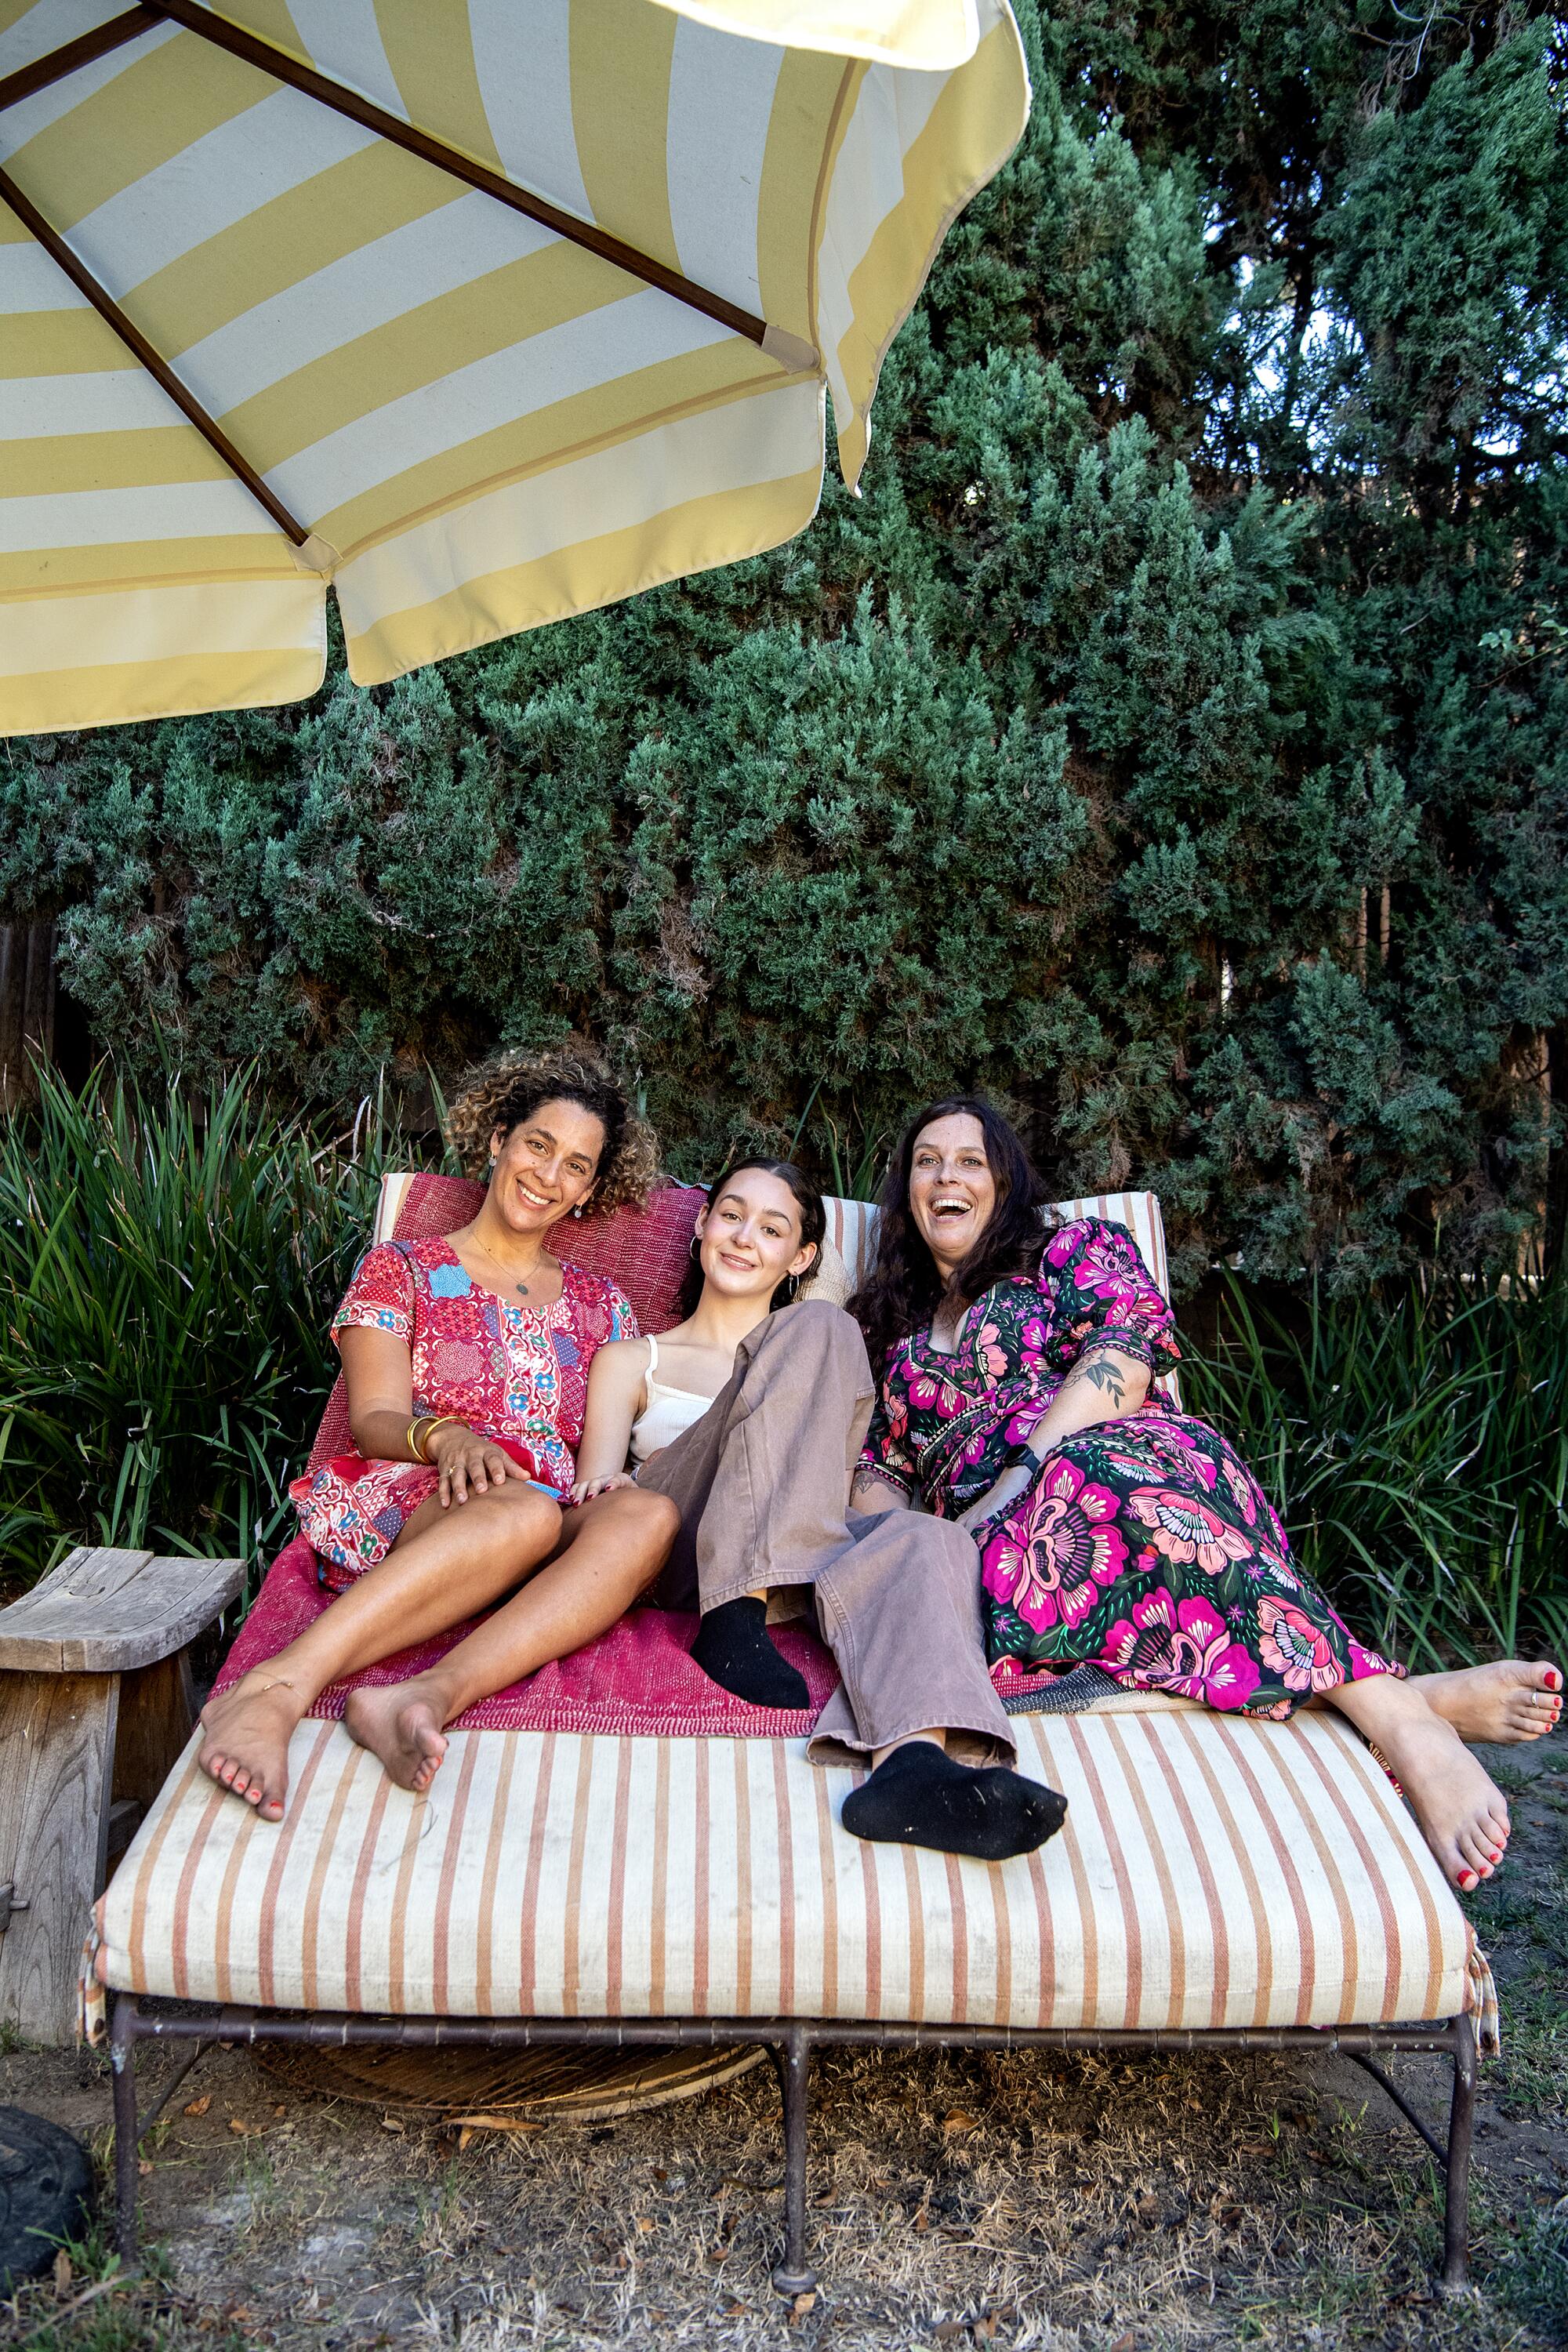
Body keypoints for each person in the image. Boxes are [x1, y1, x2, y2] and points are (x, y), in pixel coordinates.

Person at [846, 1095, 1564, 1893]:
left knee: (1092, 1478)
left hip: (1126, 1463)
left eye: (969, 1159)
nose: (946, 1176)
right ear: (905, 1190)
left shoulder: (1067, 1251)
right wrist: (893, 1553)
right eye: (926, 1161)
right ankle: (1401, 1692)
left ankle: (1402, 1729)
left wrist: (1020, 1476)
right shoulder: (884, 1325)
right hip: (1001, 1554)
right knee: (1017, 1554)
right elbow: (881, 1468)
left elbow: (1121, 1358)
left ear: (1004, 1180)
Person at [196, 1051, 682, 1821]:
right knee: (519, 1509)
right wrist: (447, 1437)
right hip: (423, 1489)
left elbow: (613, 1445)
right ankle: (275, 1687)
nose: (549, 1174)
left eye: (575, 1165)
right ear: (497, 1141)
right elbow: (373, 1419)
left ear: (590, 1189)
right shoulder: (404, 1268)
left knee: (646, 1516)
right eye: (537, 1145)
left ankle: (418, 1698)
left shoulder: (604, 1306)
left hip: (548, 1508)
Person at [606, 1160, 1070, 1861]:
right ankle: (733, 1613)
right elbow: (601, 1490)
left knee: (924, 1536)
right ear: (701, 1226)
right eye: (730, 1215)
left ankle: (911, 1767)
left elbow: (838, 1494)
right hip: (677, 1539)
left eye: (771, 1228)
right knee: (821, 1323)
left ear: (802, 1256)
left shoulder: (822, 1351)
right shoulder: (634, 1356)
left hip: (792, 1546)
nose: (742, 1238)